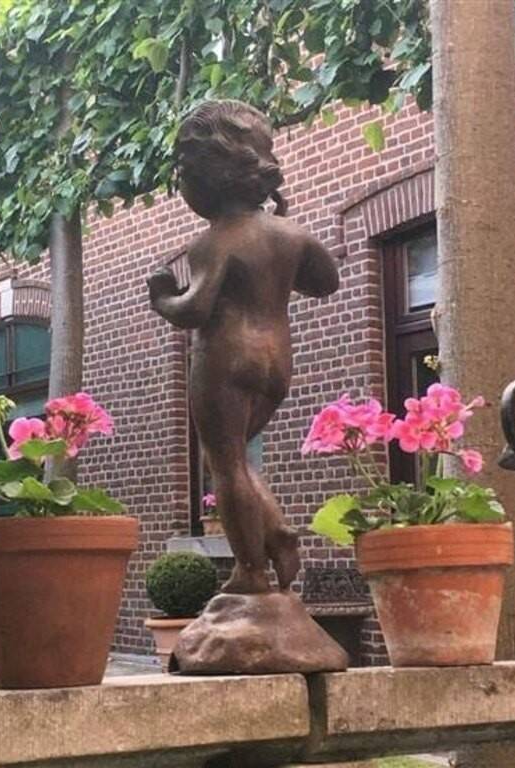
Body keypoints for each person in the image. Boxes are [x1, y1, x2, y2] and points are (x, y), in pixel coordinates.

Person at [148, 100, 340, 594]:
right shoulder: (291, 234)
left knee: (225, 462)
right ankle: (276, 530)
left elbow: (194, 309)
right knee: (236, 459)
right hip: (277, 361)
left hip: (226, 357)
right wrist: (282, 240)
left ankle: (250, 571)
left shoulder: (213, 241)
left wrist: (162, 295)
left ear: (206, 180)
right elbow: (325, 282)